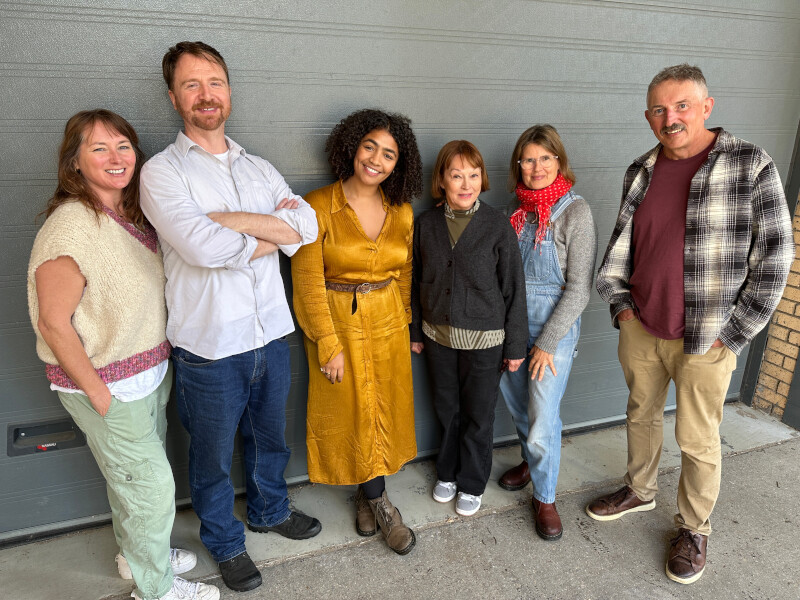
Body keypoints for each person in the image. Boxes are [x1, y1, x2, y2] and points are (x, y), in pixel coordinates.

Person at [587, 64, 794, 584]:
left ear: (708, 106)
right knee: (640, 414)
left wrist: (736, 331)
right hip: (643, 326)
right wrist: (621, 307)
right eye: (659, 108)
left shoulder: (751, 165)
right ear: (647, 117)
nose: (670, 117)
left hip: (708, 336)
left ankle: (694, 527)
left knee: (698, 438)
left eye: (682, 105)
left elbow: (776, 257)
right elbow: (622, 245)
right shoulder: (642, 168)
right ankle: (640, 489)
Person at [139, 42, 320, 593]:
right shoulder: (161, 172)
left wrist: (230, 222)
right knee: (212, 457)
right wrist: (269, 228)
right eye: (192, 85)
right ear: (174, 98)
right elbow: (201, 249)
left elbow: (308, 227)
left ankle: (269, 509)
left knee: (270, 440)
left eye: (214, 82)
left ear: (229, 92)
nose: (205, 95)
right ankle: (224, 541)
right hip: (210, 346)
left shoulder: (257, 165)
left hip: (270, 333)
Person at [27, 109, 218, 600]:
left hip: (149, 376)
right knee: (151, 492)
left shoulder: (128, 214)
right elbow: (53, 320)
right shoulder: (70, 226)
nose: (116, 158)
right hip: (107, 388)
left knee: (131, 484)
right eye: (99, 148)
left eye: (123, 146)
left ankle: (138, 555)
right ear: (74, 162)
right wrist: (99, 394)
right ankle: (155, 588)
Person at [291, 109, 423, 555]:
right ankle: (382, 504)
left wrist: (403, 322)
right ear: (352, 147)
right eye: (370, 146)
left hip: (386, 322)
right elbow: (307, 281)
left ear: (397, 164)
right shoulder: (316, 206)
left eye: (389, 154)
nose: (377, 160)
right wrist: (327, 344)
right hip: (338, 323)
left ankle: (370, 499)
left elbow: (404, 273)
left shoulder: (401, 211)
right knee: (353, 410)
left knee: (381, 409)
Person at [412, 140, 527, 517]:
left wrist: (515, 347)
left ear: (482, 179)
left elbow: (513, 287)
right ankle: (447, 473)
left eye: (473, 175)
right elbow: (414, 281)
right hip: (437, 338)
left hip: (486, 341)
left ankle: (473, 481)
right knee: (447, 410)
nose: (466, 183)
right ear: (442, 180)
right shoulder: (425, 224)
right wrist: (415, 331)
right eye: (456, 175)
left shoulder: (496, 225)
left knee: (479, 414)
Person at [497, 125, 597, 541]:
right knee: (520, 408)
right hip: (512, 325)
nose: (536, 168)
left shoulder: (576, 213)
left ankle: (546, 496)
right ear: (518, 165)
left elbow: (578, 289)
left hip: (550, 330)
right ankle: (531, 461)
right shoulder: (515, 214)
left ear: (559, 161)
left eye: (545, 158)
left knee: (542, 418)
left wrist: (547, 343)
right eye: (528, 159)